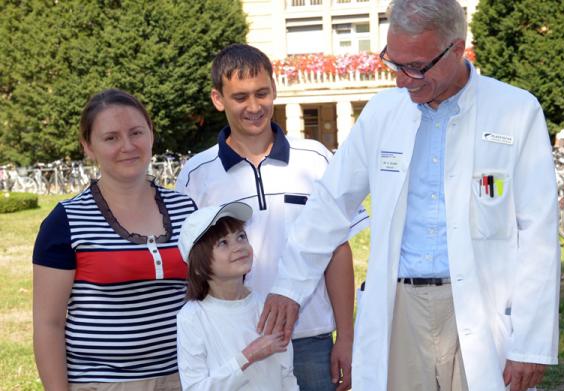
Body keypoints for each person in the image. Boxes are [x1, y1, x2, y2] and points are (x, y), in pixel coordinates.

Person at [260, 1, 561, 390]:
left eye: (416, 66)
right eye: (394, 62)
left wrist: (531, 345)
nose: (403, 80)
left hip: (480, 308)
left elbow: (538, 233)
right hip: (399, 307)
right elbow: (331, 204)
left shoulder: (516, 111)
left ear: (456, 48)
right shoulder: (383, 112)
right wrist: (289, 284)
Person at [176, 43, 368, 391]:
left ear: (275, 90)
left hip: (310, 337)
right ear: (218, 99)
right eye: (240, 97)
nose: (254, 107)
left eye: (262, 93)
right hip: (235, 346)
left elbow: (337, 251)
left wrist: (346, 337)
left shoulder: (316, 158)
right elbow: (192, 263)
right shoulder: (196, 175)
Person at [32, 88, 197, 390]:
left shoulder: (187, 209)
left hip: (186, 378)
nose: (128, 146)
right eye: (111, 138)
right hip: (103, 383)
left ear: (151, 134)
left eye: (136, 132)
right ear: (88, 147)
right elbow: (48, 324)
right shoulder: (65, 221)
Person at [176, 202, 299, 390]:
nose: (239, 247)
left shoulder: (268, 308)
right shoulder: (192, 317)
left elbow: (287, 376)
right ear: (199, 265)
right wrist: (247, 357)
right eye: (223, 243)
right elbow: (195, 387)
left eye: (241, 236)